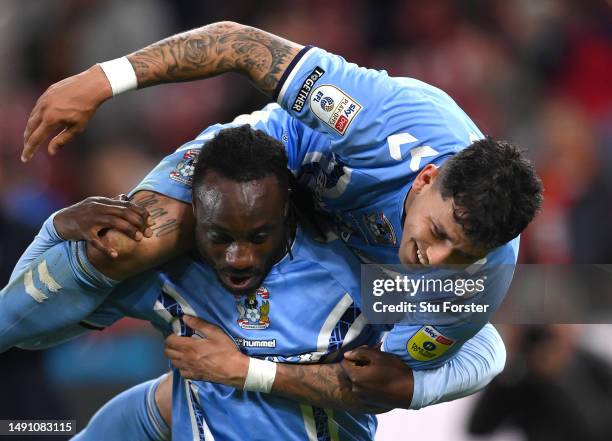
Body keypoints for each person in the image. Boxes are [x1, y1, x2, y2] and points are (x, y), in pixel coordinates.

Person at [17, 21, 543, 406]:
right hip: (276, 163)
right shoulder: (381, 118)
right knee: (128, 243)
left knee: (318, 365)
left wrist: (250, 372)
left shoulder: (474, 284)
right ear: (426, 178)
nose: (434, 259)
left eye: (460, 255)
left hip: (346, 262)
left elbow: (376, 385)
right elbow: (239, 44)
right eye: (437, 233)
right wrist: (102, 80)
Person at [5, 126, 506, 440]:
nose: (238, 257)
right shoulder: (174, 272)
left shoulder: (354, 281)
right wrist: (56, 231)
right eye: (219, 236)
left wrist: (412, 385)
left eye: (259, 235)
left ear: (287, 213)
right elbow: (22, 325)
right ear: (193, 218)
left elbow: (489, 349)